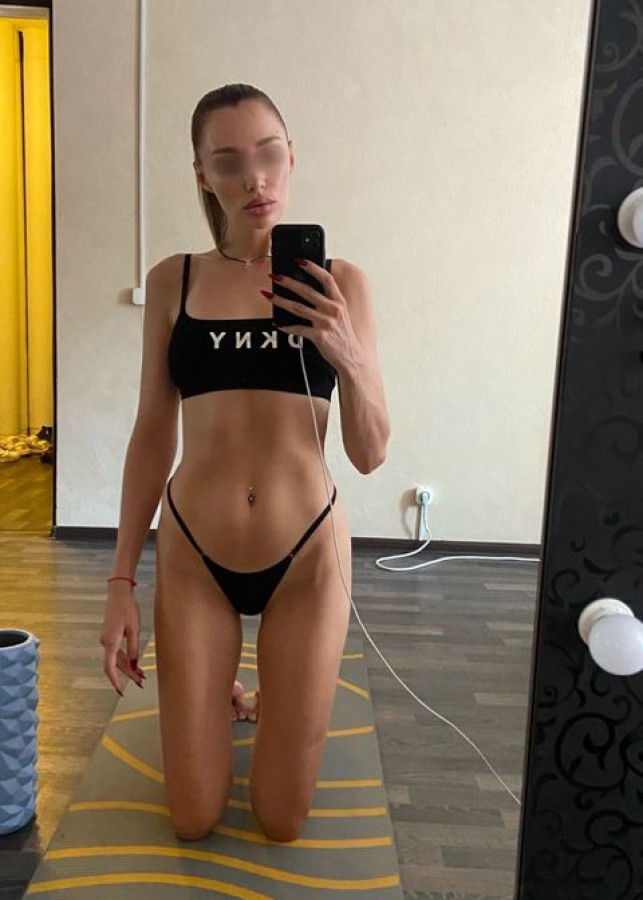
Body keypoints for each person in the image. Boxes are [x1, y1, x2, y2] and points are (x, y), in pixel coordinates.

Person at [99, 83, 390, 843]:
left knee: (280, 819)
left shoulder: (342, 284)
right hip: (195, 554)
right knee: (193, 818)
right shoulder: (174, 280)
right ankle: (219, 686)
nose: (253, 178)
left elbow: (369, 453)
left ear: (291, 158)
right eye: (228, 162)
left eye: (268, 154)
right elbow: (152, 433)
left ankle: (269, 695)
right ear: (202, 174)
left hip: (309, 557)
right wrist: (121, 583)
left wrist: (346, 354)